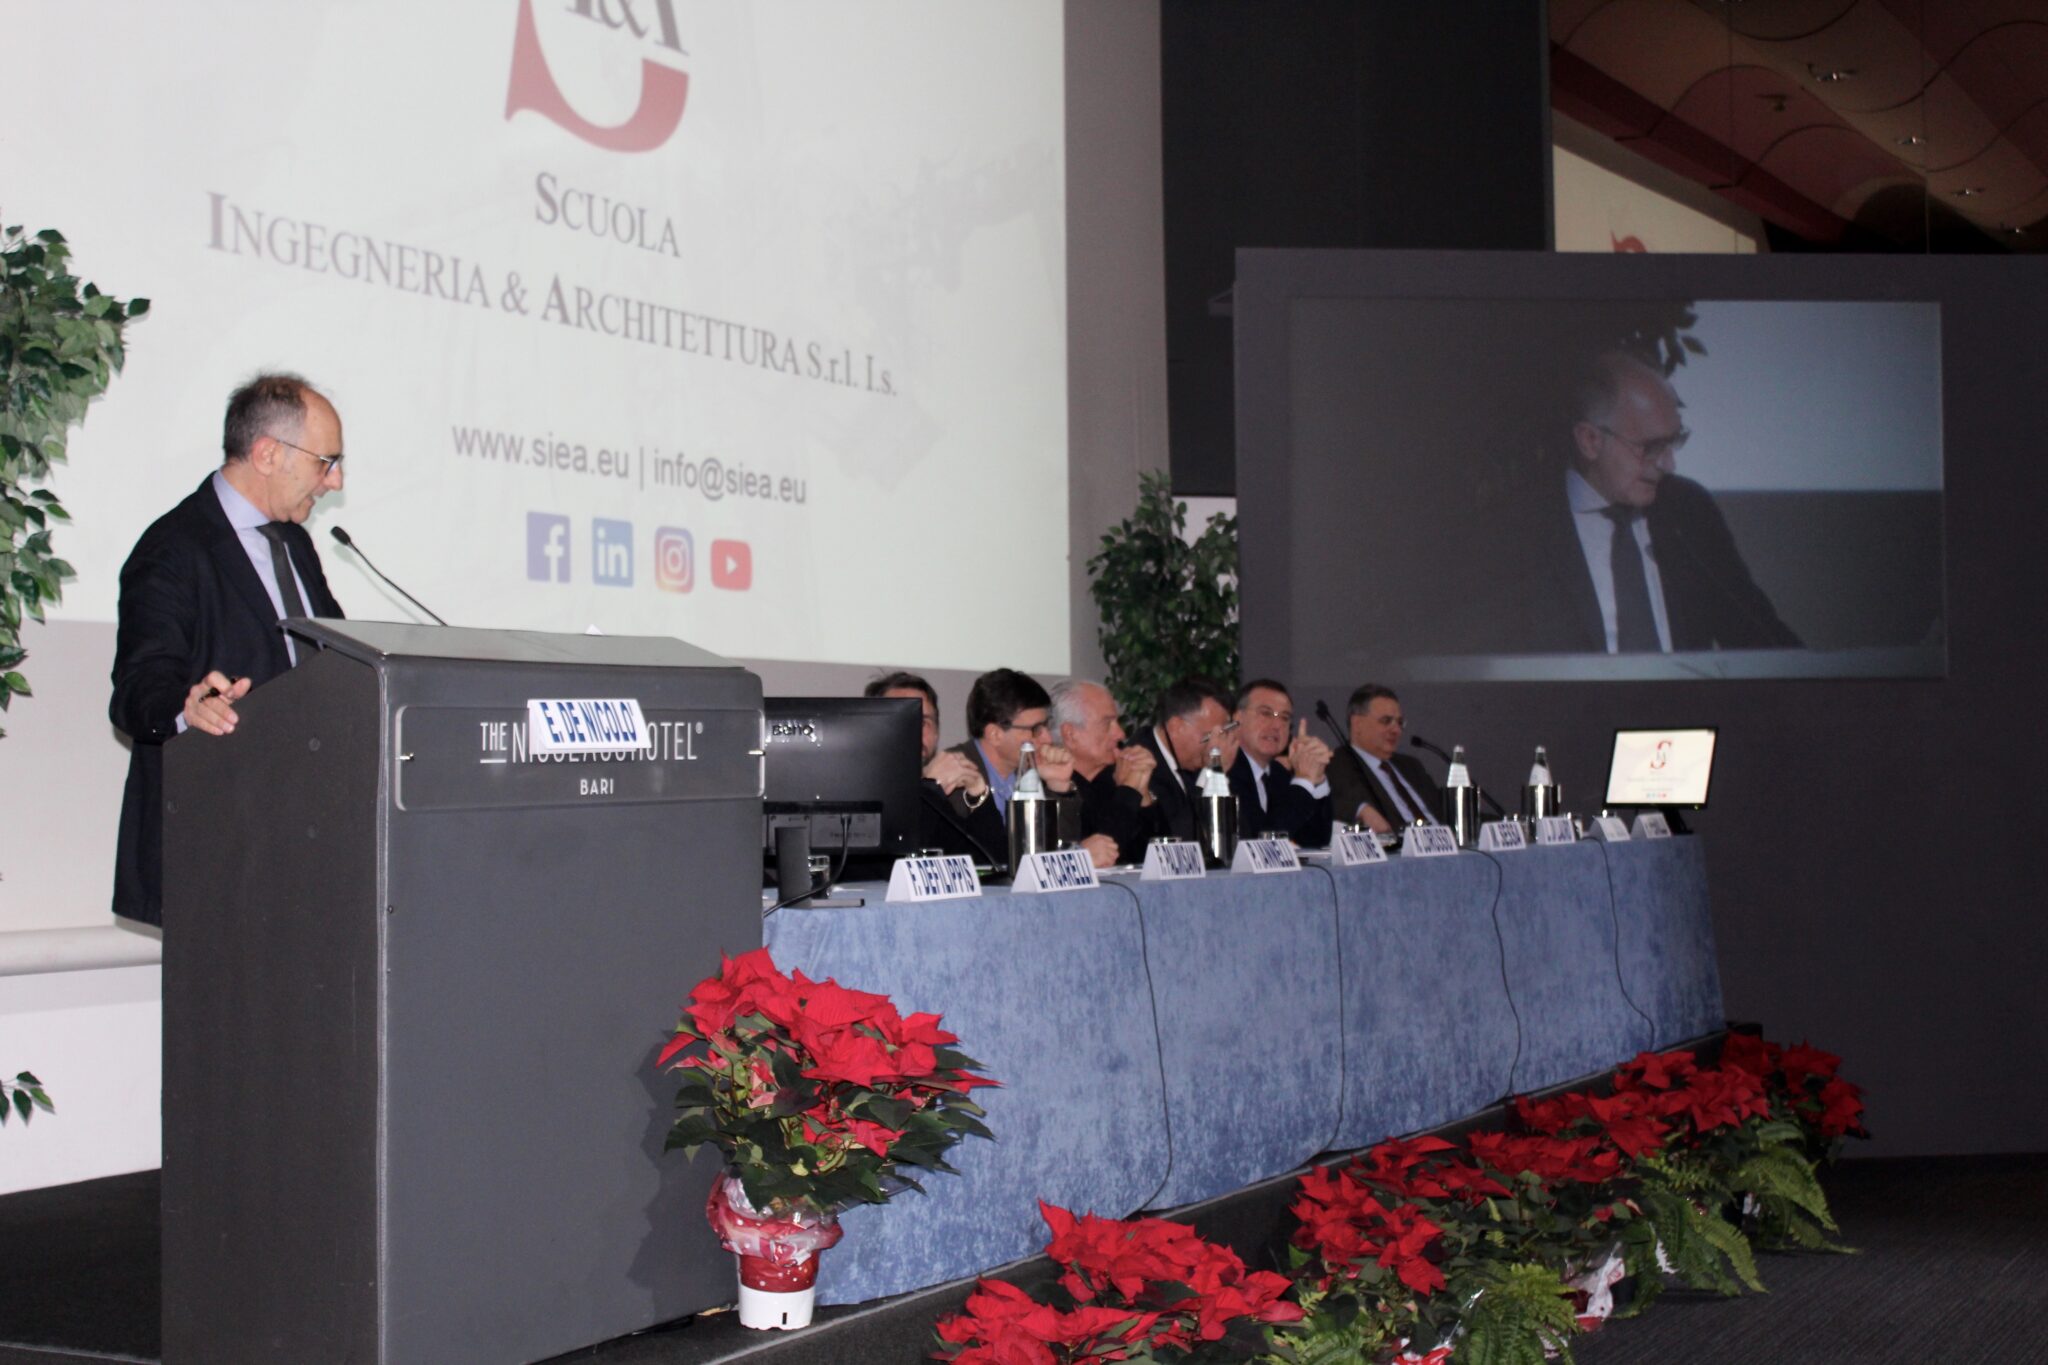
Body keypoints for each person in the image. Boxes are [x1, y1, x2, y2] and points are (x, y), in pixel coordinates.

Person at [109, 373, 348, 926]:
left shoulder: (293, 542)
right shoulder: (173, 547)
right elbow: (137, 688)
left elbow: (328, 661)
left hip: (304, 839)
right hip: (219, 849)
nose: (335, 481)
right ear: (268, 454)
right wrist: (188, 707)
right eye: (326, 462)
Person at [1513, 350, 1800, 655]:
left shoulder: (1688, 508)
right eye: (1651, 447)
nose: (1668, 464)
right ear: (1590, 440)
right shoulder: (1521, 526)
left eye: (1674, 441)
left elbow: (1758, 634)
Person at [941, 668, 1079, 869]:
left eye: (1046, 726)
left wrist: (1059, 788)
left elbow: (1060, 859)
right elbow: (986, 859)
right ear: (995, 734)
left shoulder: (1035, 772)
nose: (1048, 738)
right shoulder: (957, 775)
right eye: (1036, 729)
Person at [1047, 678, 1158, 866]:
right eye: (1107, 724)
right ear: (1070, 734)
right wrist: (1129, 790)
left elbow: (1160, 858)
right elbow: (1105, 854)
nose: (1121, 734)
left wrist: (1143, 795)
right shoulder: (1052, 789)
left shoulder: (1114, 776)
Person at [1130, 677, 1240, 842]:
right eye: (1209, 736)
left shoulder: (1191, 762)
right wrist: (1212, 774)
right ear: (1176, 727)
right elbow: (1178, 840)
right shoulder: (1140, 765)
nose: (1215, 745)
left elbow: (1239, 834)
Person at [1227, 678, 1333, 847]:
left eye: (1284, 718)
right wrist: (1304, 781)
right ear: (1237, 719)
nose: (1277, 725)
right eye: (1265, 713)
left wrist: (1316, 779)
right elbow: (1263, 842)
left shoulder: (1280, 774)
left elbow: (1316, 839)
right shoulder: (1225, 771)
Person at [1325, 684, 1442, 834]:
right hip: (1397, 846)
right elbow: (1328, 802)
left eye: (1399, 722)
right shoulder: (1337, 764)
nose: (1396, 730)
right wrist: (1361, 809)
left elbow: (1442, 810)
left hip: (1443, 842)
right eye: (1386, 721)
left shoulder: (1412, 766)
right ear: (1357, 724)